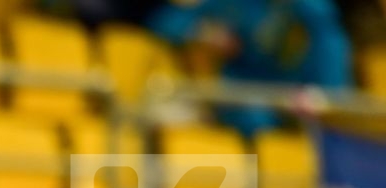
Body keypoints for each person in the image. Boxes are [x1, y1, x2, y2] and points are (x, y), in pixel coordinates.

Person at [149, 0, 354, 135]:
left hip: (299, 103)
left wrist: (324, 99)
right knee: (253, 116)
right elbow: (165, 22)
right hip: (242, 96)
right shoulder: (234, 4)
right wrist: (205, 32)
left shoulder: (314, 13)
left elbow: (334, 86)